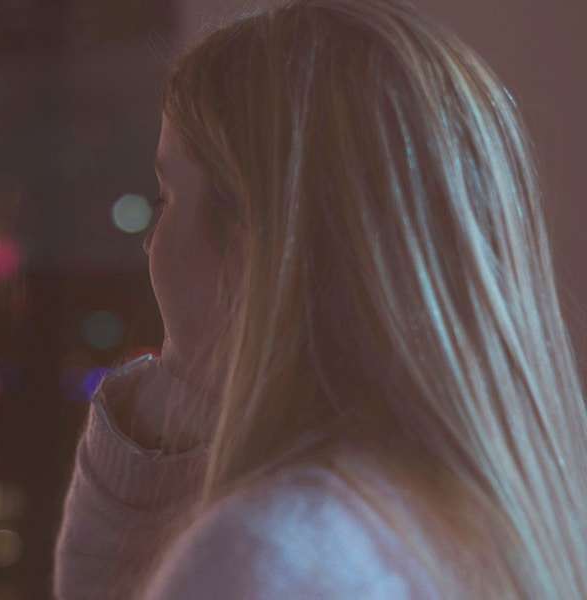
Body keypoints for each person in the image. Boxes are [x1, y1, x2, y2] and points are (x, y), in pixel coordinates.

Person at [54, 0, 587, 598]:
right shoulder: (505, 523)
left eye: (165, 198)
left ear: (257, 235)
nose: (151, 244)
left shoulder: (264, 558)